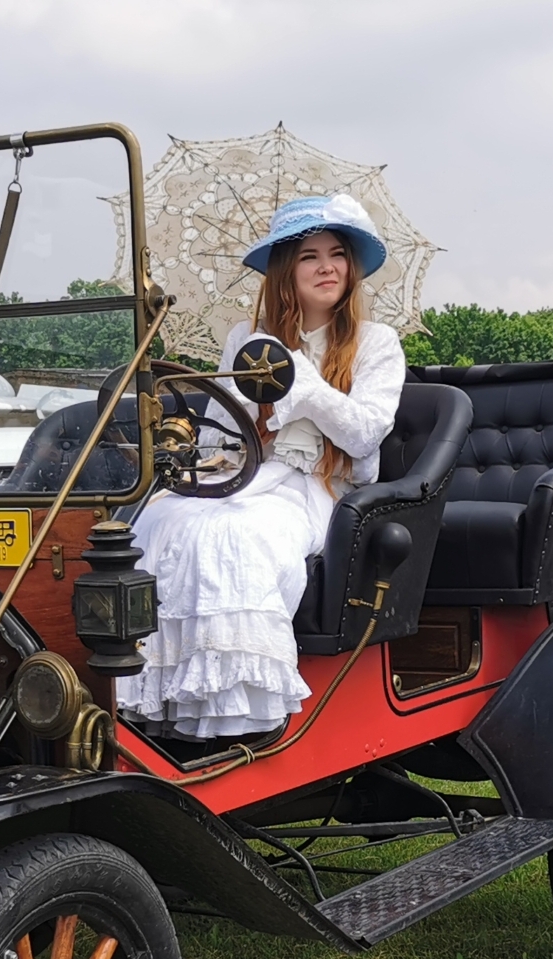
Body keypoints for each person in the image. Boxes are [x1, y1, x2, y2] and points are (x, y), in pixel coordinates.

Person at [115, 193, 404, 741]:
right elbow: (221, 435)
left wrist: (305, 385)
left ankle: (235, 713)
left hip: (319, 489)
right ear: (285, 271)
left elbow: (366, 434)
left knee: (237, 535)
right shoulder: (247, 341)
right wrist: (252, 403)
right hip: (247, 475)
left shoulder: (376, 343)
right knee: (159, 520)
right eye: (309, 256)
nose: (326, 267)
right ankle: (166, 701)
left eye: (337, 255)